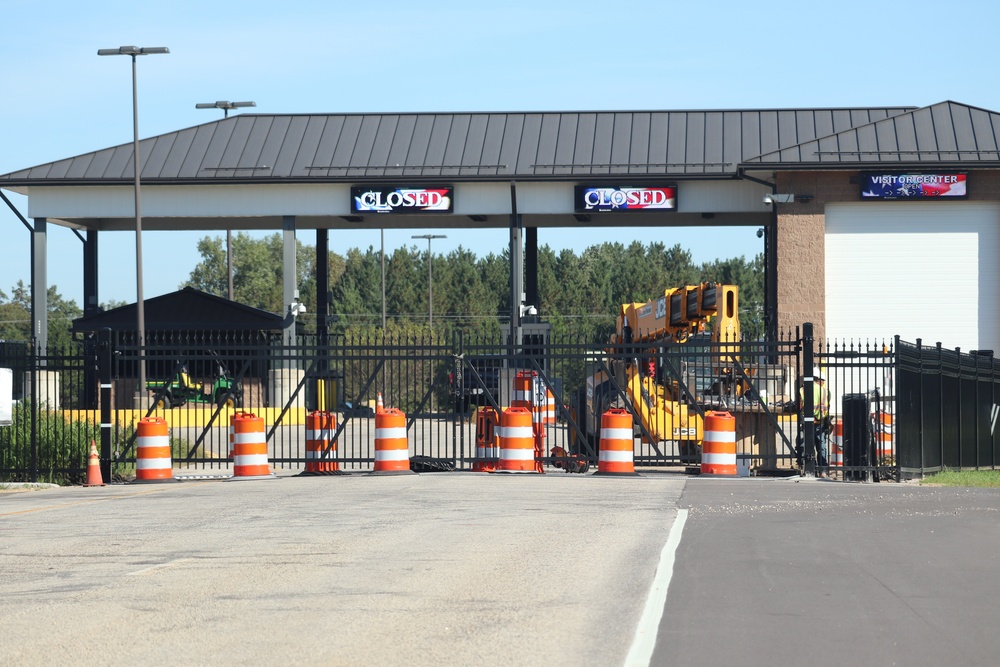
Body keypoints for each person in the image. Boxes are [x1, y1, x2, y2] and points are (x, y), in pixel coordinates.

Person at [796, 366, 831, 474]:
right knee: (821, 446)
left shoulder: (802, 390)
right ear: (818, 379)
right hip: (820, 422)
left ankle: (804, 466)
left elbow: (799, 406)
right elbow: (827, 408)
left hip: (807, 422)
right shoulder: (826, 392)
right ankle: (822, 469)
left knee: (803, 444)